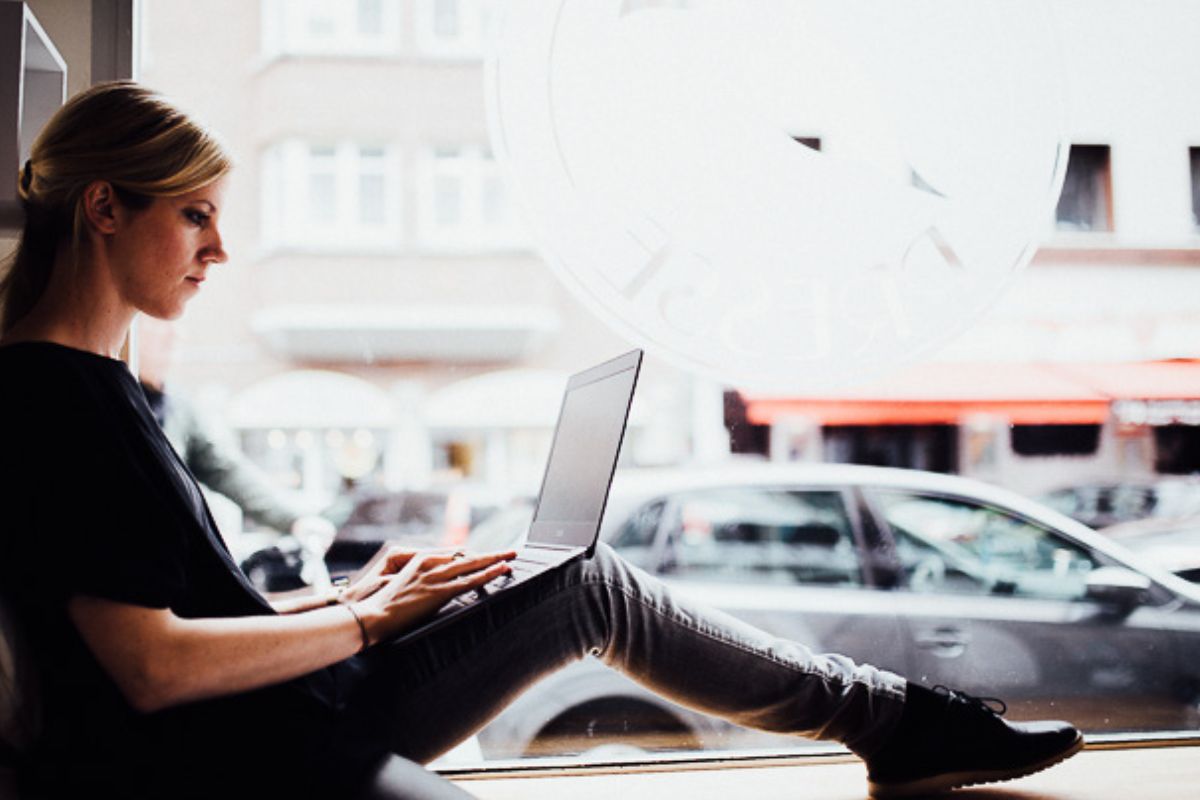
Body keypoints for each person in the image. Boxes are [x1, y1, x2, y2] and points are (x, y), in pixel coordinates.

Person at [0, 81, 1082, 800]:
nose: (220, 248)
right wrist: (370, 620)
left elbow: (175, 615)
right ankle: (894, 719)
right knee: (587, 589)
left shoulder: (90, 387)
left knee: (557, 576)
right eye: (195, 215)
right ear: (104, 207)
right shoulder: (60, 399)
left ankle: (891, 718)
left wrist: (345, 601)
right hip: (242, 751)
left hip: (267, 712)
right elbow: (145, 666)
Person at [135, 316, 337, 589]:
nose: (175, 334)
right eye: (160, 323)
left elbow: (225, 467)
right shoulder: (119, 398)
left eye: (177, 325)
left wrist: (295, 519)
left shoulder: (179, 407)